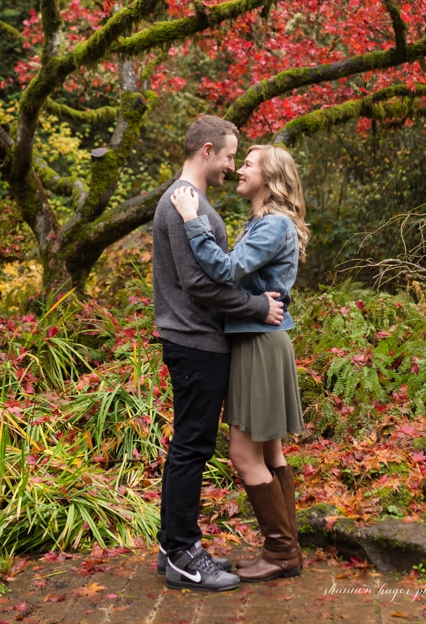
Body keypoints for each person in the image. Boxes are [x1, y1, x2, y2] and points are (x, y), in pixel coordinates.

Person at [152, 115, 283, 592]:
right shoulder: (185, 204)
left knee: (187, 446)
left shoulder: (190, 202)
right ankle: (186, 553)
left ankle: (173, 547)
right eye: (229, 154)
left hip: (193, 341)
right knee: (192, 447)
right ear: (206, 150)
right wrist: (255, 305)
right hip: (195, 342)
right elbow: (201, 284)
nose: (232, 164)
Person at [171, 143, 308, 583]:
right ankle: (283, 550)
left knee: (243, 454)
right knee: (270, 450)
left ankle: (282, 551)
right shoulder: (262, 223)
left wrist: (193, 221)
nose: (238, 170)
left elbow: (227, 269)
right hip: (259, 339)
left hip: (259, 342)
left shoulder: (272, 226)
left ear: (269, 176)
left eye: (247, 164)